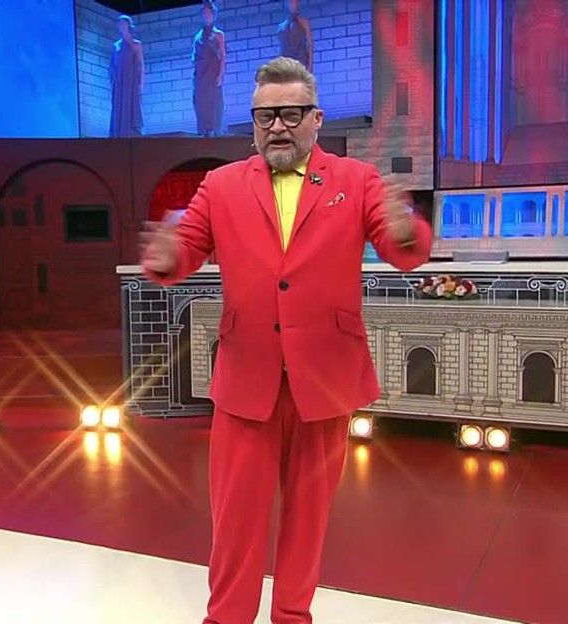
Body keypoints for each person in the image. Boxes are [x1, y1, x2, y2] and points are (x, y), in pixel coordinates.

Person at [140, 56, 432, 624]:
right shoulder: (221, 184)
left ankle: (292, 616)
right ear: (253, 123)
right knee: (235, 521)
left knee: (308, 517)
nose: (277, 126)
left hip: (324, 379)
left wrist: (405, 230)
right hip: (246, 378)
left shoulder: (356, 179)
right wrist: (168, 255)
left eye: (291, 114)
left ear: (316, 118)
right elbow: (187, 247)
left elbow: (400, 248)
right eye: (265, 116)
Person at [192, 1, 226, 137]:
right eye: (204, 13)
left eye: (209, 13)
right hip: (200, 76)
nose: (207, 15)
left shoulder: (219, 34)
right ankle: (203, 131)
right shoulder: (197, 36)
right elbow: (194, 56)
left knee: (214, 103)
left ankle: (214, 131)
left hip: (213, 73)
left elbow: (223, 55)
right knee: (201, 103)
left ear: (214, 15)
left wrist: (220, 75)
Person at [110, 15, 144, 138]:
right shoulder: (116, 46)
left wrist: (141, 84)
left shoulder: (136, 44)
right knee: (119, 106)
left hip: (131, 83)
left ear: (128, 25)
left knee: (132, 106)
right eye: (119, 24)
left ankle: (132, 133)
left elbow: (141, 65)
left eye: (122, 23)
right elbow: (112, 66)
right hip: (119, 83)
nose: (120, 26)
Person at [277, 0, 313, 72]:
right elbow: (281, 45)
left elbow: (310, 44)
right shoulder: (281, 26)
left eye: (295, 1)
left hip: (300, 61)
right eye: (291, 1)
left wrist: (310, 66)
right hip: (285, 63)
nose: (293, 3)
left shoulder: (304, 22)